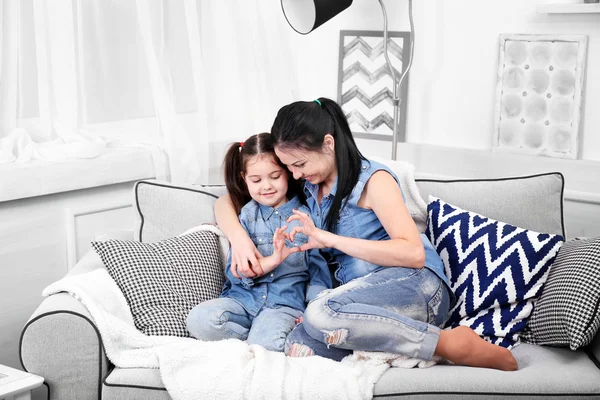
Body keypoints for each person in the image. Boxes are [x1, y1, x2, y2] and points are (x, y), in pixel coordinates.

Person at [214, 99, 518, 371]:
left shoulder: (374, 180)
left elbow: (412, 254)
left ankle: (448, 344)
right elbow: (227, 199)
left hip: (414, 287)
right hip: (357, 306)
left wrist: (329, 239)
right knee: (297, 347)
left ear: (328, 144)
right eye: (289, 168)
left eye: (299, 164)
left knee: (321, 313)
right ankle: (385, 339)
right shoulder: (310, 183)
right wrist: (238, 238)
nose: (294, 175)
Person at [186, 132, 332, 352]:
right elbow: (237, 272)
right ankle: (254, 339)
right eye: (256, 180)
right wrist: (272, 261)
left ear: (288, 174)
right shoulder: (244, 216)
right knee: (198, 319)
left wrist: (314, 309)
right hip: (241, 301)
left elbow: (319, 270)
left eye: (275, 176)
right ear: (244, 179)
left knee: (264, 342)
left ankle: (265, 339)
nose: (266, 186)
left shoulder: (305, 217)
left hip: (283, 306)